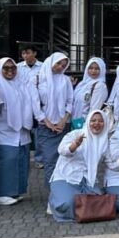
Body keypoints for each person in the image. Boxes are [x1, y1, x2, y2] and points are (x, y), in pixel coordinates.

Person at [0, 58, 33, 206]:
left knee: (21, 162)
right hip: (3, 131)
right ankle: (2, 194)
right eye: (6, 68)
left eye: (13, 68)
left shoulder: (21, 84)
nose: (10, 71)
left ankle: (15, 192)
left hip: (22, 131)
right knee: (6, 163)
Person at [48, 109, 109, 222]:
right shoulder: (76, 134)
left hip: (87, 179)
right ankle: (53, 200)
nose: (97, 123)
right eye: (93, 120)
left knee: (96, 202)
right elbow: (61, 150)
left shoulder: (104, 141)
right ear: (88, 121)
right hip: (66, 176)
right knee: (66, 204)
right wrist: (75, 145)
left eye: (101, 121)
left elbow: (111, 162)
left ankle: (75, 200)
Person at [32, 53, 73, 204]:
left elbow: (70, 101)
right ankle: (53, 196)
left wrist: (64, 120)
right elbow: (35, 103)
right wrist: (47, 122)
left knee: (64, 160)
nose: (60, 67)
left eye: (64, 65)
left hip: (63, 125)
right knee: (50, 161)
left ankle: (63, 193)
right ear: (51, 62)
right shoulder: (37, 79)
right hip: (45, 126)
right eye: (58, 63)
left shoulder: (65, 80)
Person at [71, 58, 108, 129]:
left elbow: (94, 109)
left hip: (85, 123)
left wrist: (87, 125)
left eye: (97, 69)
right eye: (90, 68)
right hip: (75, 121)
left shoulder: (100, 86)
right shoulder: (82, 84)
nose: (93, 71)